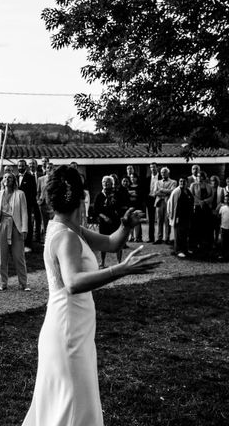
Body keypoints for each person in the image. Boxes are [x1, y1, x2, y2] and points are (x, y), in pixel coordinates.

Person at [22, 165, 160, 426]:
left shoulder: (66, 227)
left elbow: (110, 242)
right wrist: (121, 269)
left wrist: (125, 226)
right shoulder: (67, 237)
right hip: (68, 331)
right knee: (75, 407)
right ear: (82, 200)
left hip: (72, 327)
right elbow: (72, 283)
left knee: (66, 406)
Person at [0, 172, 29, 291]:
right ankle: (3, 283)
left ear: (14, 180)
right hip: (1, 225)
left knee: (19, 256)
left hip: (16, 226)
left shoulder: (20, 194)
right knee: (2, 256)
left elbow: (24, 212)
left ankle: (23, 283)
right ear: (3, 181)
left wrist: (24, 229)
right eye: (5, 177)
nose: (7, 179)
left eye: (10, 177)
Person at [93, 176, 124, 268]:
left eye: (107, 182)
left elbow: (121, 206)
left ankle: (119, 262)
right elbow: (96, 210)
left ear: (112, 183)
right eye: (103, 182)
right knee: (103, 241)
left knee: (118, 241)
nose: (105, 184)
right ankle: (102, 262)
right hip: (104, 222)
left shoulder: (117, 194)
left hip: (115, 221)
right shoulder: (99, 195)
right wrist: (104, 217)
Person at [167, 177, 194, 258]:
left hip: (187, 216)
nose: (182, 182)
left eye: (184, 181)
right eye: (180, 181)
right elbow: (172, 204)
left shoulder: (188, 190)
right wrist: (174, 217)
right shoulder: (177, 191)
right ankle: (178, 250)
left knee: (185, 234)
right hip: (179, 216)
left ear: (187, 182)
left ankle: (185, 249)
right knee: (178, 234)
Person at [16, 159, 37, 252]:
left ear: (26, 167)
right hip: (16, 206)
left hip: (27, 205)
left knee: (27, 224)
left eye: (22, 166)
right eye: (19, 166)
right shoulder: (14, 177)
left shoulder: (31, 177)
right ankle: (18, 244)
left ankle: (28, 244)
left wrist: (30, 206)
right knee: (17, 224)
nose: (21, 167)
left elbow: (33, 192)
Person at [190, 170, 213, 253]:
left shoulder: (209, 186)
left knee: (205, 226)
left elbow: (211, 196)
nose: (199, 178)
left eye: (201, 176)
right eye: (198, 176)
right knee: (197, 226)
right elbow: (191, 195)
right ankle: (196, 243)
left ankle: (205, 243)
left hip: (206, 208)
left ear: (204, 177)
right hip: (197, 207)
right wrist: (199, 202)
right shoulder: (193, 185)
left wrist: (205, 201)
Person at [154, 167, 176, 245]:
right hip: (159, 203)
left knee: (167, 220)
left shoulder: (173, 182)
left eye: (165, 172)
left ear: (168, 173)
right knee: (159, 221)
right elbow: (155, 192)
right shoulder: (157, 182)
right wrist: (166, 192)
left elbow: (172, 191)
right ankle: (159, 238)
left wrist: (162, 190)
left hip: (168, 203)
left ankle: (167, 238)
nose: (163, 174)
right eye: (162, 172)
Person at [36, 162, 54, 238]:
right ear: (45, 169)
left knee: (53, 223)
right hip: (43, 204)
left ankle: (52, 238)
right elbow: (38, 192)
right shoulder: (40, 179)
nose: (49, 169)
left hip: (53, 205)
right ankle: (45, 239)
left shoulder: (56, 179)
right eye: (47, 167)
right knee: (44, 223)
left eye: (51, 168)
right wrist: (38, 201)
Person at [126, 172, 145, 242]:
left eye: (133, 177)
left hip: (138, 206)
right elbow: (127, 196)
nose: (132, 179)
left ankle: (137, 237)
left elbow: (140, 196)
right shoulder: (128, 186)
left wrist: (131, 193)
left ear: (136, 178)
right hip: (130, 206)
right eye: (131, 178)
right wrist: (134, 194)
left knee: (137, 222)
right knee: (130, 222)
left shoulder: (140, 186)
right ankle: (131, 237)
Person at [146, 162, 160, 243]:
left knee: (160, 219)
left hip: (158, 199)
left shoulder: (161, 177)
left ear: (157, 168)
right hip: (150, 199)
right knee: (151, 220)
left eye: (154, 167)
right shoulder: (147, 178)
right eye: (151, 167)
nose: (152, 169)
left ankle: (160, 238)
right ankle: (151, 238)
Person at [217, 196, 229, 260]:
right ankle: (222, 254)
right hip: (223, 227)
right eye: (225, 199)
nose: (227, 201)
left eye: (228, 200)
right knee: (223, 242)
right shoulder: (222, 208)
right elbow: (219, 216)